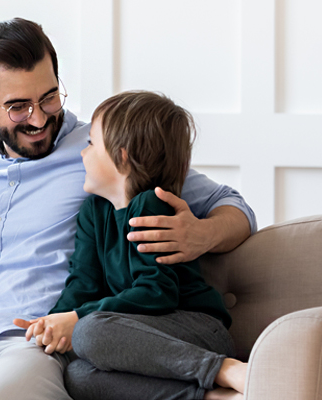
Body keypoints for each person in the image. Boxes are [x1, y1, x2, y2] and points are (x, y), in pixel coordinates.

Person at [0, 18, 257, 400]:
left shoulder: (106, 151)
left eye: (49, 97)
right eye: (18, 107)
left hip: (37, 348)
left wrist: (201, 235)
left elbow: (232, 206)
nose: (38, 118)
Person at [17, 91, 247, 400]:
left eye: (90, 144)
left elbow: (157, 292)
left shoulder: (152, 205)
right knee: (78, 375)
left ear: (122, 156)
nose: (82, 154)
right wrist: (50, 322)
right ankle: (209, 396)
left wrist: (78, 319)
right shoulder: (93, 212)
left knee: (89, 331)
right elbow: (82, 284)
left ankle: (224, 369)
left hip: (197, 330)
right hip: (143, 338)